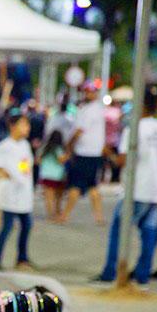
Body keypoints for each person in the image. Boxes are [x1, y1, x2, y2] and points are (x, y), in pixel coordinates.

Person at [93, 88, 157, 288]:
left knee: (119, 230)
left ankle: (110, 272)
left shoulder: (134, 129)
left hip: (137, 189)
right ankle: (142, 276)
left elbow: (123, 160)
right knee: (149, 234)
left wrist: (108, 153)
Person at [0, 112, 35, 271]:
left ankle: (22, 258)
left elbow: (25, 165)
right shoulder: (6, 145)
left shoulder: (24, 145)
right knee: (7, 226)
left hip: (23, 191)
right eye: (23, 124)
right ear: (13, 126)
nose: (26, 128)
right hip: (10, 193)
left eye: (27, 125)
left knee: (26, 225)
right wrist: (2, 170)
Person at [62, 83, 107, 224]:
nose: (88, 94)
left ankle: (65, 215)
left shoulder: (88, 110)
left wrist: (69, 145)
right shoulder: (98, 109)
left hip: (84, 153)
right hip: (94, 153)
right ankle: (98, 216)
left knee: (75, 185)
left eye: (90, 92)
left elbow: (79, 131)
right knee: (92, 185)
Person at [37, 130, 69, 222]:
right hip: (58, 176)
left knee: (48, 198)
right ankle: (57, 213)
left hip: (46, 175)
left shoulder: (44, 148)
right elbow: (61, 160)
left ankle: (50, 215)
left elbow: (38, 161)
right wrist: (67, 156)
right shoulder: (59, 149)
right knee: (58, 197)